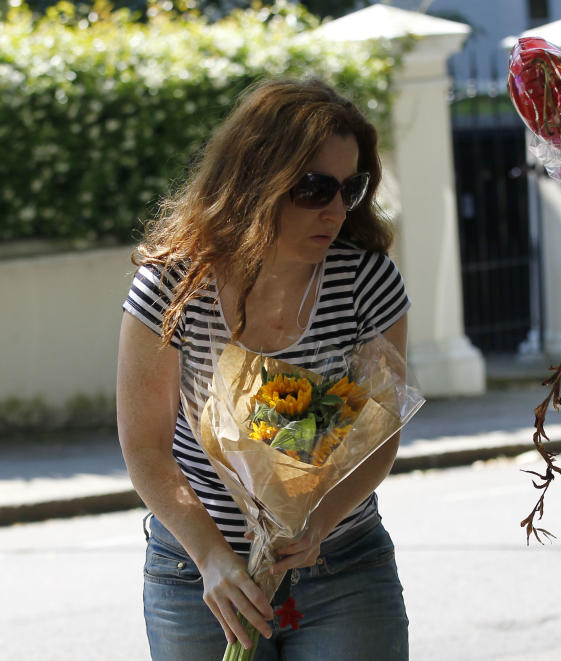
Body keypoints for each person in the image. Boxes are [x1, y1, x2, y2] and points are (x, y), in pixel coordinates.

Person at [116, 78, 411, 660]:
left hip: (344, 567)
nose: (334, 210)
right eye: (312, 188)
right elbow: (146, 447)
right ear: (258, 178)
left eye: (349, 189)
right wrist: (212, 559)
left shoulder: (366, 281)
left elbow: (382, 430)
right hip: (199, 577)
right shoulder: (174, 288)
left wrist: (317, 525)